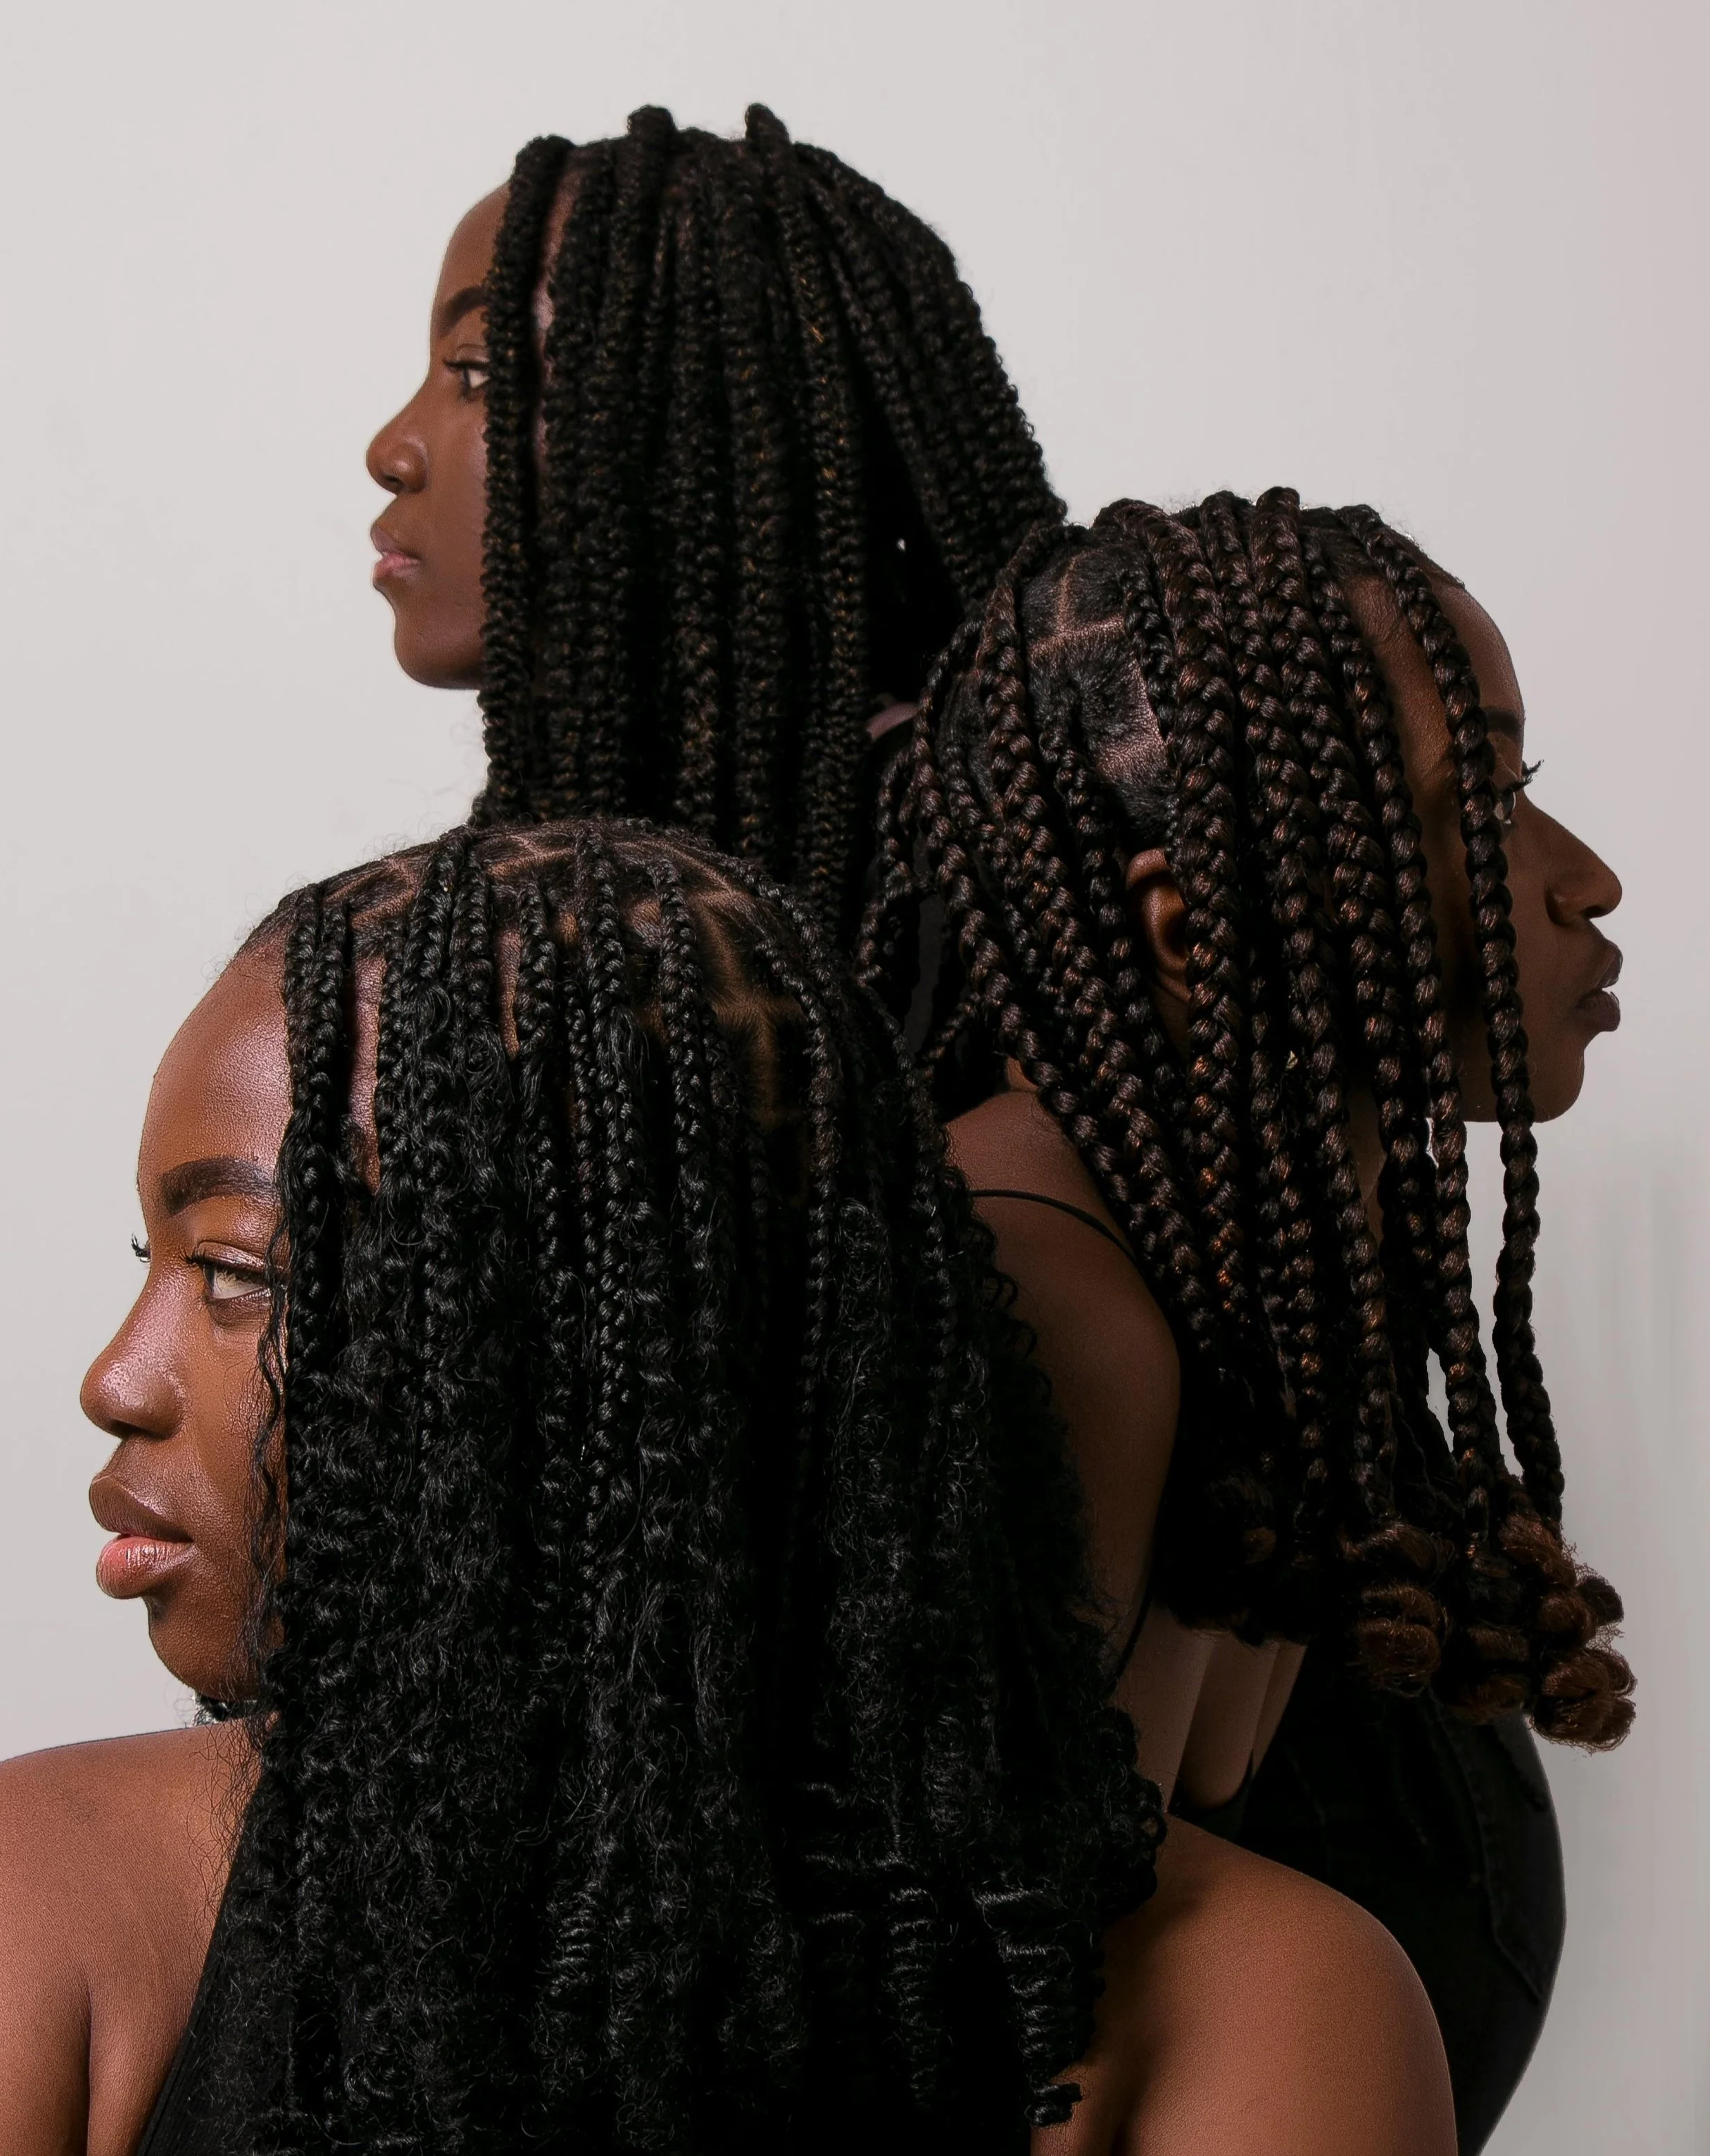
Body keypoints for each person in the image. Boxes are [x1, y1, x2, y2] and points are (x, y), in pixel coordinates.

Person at [365, 117, 1572, 2137]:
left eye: (484, 370)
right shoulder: (802, 927)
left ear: (730, 438)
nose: (401, 441)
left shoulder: (904, 987)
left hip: (1224, 1952)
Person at [0, 822, 1154, 2153]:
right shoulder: (41, 1902)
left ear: (612, 1352)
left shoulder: (1258, 2003)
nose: (115, 1378)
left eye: (239, 1276)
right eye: (152, 1256)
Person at [861, 489, 1633, 2149]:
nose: (1584, 882)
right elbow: (992, 2060)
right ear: (1194, 929)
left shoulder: (1243, 1273)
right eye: (1477, 799)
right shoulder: (1036, 1302)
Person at [366, 104, 1056, 941]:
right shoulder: (607, 843)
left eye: (476, 372)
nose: (390, 451)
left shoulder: (965, 857)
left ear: (695, 425)